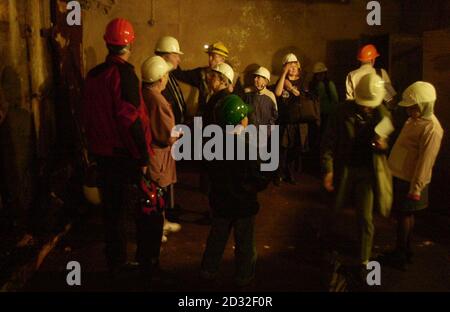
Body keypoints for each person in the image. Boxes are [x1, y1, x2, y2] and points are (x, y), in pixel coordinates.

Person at [81, 18, 156, 278]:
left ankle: (114, 261)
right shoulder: (123, 75)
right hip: (123, 156)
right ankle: (136, 264)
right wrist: (143, 156)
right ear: (130, 43)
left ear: (106, 42)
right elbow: (131, 120)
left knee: (111, 212)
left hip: (101, 155)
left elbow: (87, 115)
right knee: (135, 211)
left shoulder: (93, 75)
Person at [321, 73, 394, 276]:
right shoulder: (341, 112)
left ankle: (364, 259)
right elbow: (328, 143)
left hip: (368, 171)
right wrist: (328, 169)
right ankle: (328, 248)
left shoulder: (383, 114)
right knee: (334, 209)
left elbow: (388, 141)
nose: (367, 107)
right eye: (364, 103)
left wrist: (383, 144)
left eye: (371, 104)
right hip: (345, 169)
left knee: (365, 216)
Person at [200, 94, 269, 287]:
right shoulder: (248, 148)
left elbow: (209, 173)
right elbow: (259, 177)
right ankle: (244, 277)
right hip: (244, 206)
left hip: (221, 204)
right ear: (240, 121)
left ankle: (207, 272)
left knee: (216, 240)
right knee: (245, 244)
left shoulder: (212, 147)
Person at [384, 82, 443, 269]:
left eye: (413, 107)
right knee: (405, 215)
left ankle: (400, 255)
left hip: (411, 180)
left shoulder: (432, 128)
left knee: (404, 216)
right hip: (401, 175)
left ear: (425, 105)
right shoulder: (414, 120)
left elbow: (426, 161)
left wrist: (416, 188)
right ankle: (405, 250)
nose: (409, 111)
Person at [141, 56, 181, 244]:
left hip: (151, 152)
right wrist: (180, 133)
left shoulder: (145, 93)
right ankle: (156, 230)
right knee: (157, 194)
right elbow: (168, 136)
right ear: (160, 79)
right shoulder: (159, 101)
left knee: (153, 194)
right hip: (159, 155)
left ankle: (161, 223)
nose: (166, 78)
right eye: (165, 74)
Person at [154, 36, 184, 234]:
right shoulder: (157, 92)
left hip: (169, 140)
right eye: (176, 55)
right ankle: (157, 226)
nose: (179, 59)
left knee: (163, 185)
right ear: (166, 56)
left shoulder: (169, 77)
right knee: (158, 186)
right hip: (162, 144)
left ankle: (162, 221)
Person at [172, 41, 229, 116]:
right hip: (201, 116)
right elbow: (179, 75)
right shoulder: (201, 74)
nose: (209, 59)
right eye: (209, 56)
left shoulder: (229, 76)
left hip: (219, 118)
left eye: (213, 57)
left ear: (223, 59)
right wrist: (173, 58)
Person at [273, 53, 304, 184]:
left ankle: (289, 172)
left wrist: (290, 87)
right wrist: (284, 76)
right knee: (282, 149)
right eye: (289, 66)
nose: (292, 68)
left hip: (298, 122)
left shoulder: (302, 82)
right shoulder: (281, 80)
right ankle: (279, 175)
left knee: (295, 149)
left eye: (294, 65)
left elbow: (300, 95)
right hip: (284, 121)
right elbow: (278, 93)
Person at [309, 62, 338, 140]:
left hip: (327, 114)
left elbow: (335, 100)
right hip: (315, 114)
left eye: (322, 74)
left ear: (325, 74)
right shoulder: (313, 85)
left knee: (325, 134)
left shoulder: (329, 84)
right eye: (318, 74)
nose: (320, 76)